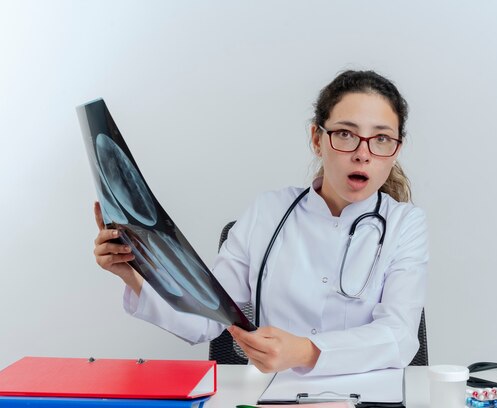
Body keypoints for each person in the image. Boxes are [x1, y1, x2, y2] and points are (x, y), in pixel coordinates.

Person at [93, 70, 428, 376]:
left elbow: (398, 337)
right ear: (316, 138)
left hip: (365, 394)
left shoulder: (405, 225)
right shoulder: (268, 212)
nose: (363, 153)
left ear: (397, 149)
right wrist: (133, 272)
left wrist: (307, 351)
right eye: (345, 134)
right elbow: (204, 320)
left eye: (381, 139)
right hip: (273, 394)